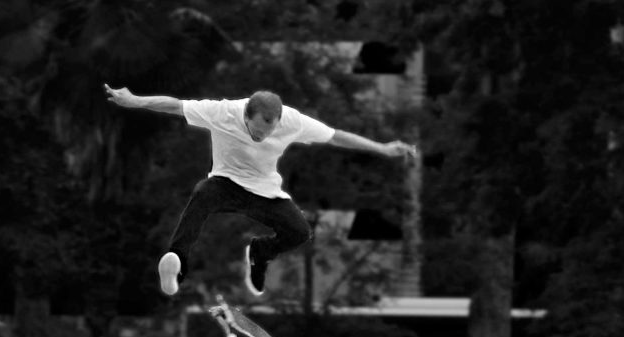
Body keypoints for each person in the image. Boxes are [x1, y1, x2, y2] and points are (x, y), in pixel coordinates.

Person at [103, 84, 417, 296]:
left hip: (264, 192)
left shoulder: (291, 121)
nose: (263, 136)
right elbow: (175, 106)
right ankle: (177, 261)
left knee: (300, 232)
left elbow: (335, 136)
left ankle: (260, 253)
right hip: (226, 183)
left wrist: (382, 148)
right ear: (246, 115)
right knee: (202, 193)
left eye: (269, 131)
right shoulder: (223, 112)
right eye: (257, 130)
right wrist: (135, 101)